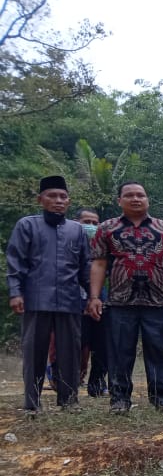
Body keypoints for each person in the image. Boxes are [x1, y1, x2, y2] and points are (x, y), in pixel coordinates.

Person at [86, 182, 163, 414]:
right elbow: (99, 263)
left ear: (147, 199)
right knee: (120, 352)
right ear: (119, 200)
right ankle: (120, 400)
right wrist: (94, 297)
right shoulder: (107, 228)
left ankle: (162, 399)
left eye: (140, 195)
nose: (135, 199)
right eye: (129, 195)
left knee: (159, 351)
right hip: (120, 301)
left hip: (157, 301)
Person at [6, 176, 91, 416]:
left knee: (70, 352)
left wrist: (93, 297)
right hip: (35, 298)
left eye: (63, 197)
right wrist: (15, 293)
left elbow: (86, 267)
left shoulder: (77, 230)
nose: (58, 201)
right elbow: (16, 262)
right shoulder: (27, 225)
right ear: (40, 199)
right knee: (34, 351)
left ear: (69, 201)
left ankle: (69, 400)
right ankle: (32, 403)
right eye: (52, 196)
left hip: (70, 300)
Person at [76, 208, 109, 397]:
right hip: (74, 297)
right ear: (76, 222)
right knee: (78, 343)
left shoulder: (104, 243)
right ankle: (69, 379)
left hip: (100, 296)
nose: (91, 226)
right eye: (86, 222)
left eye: (95, 223)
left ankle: (97, 383)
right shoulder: (70, 242)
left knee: (101, 342)